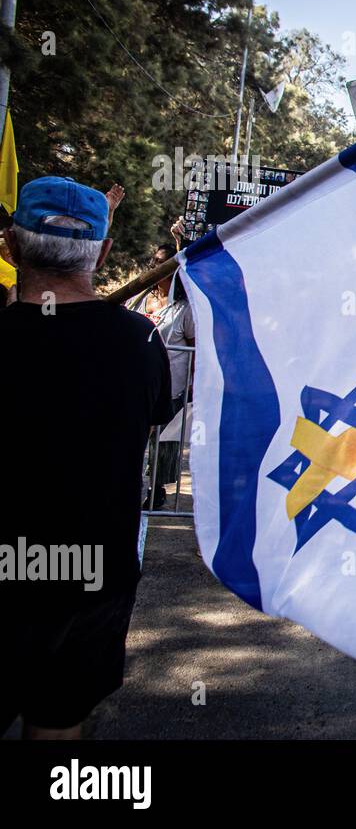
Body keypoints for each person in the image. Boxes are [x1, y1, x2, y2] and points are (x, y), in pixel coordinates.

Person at [0, 177, 172, 738]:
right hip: (94, 573)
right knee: (58, 722)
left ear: (10, 246)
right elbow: (150, 421)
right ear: (101, 254)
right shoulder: (140, 342)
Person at [129, 242, 195, 509]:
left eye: (162, 263)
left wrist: (193, 384)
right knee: (132, 437)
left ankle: (156, 490)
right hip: (135, 382)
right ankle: (128, 485)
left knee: (162, 442)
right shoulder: (141, 299)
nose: (155, 267)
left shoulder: (184, 309)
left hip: (170, 385)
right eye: (154, 261)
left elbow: (195, 347)